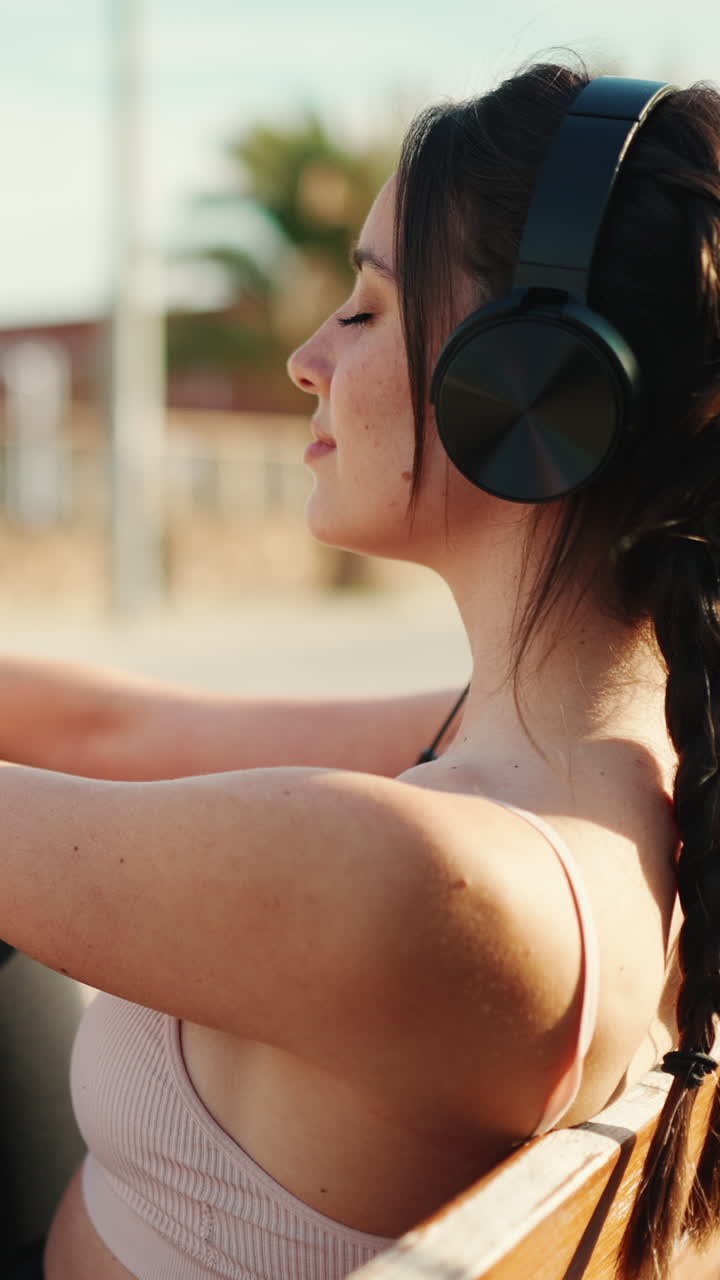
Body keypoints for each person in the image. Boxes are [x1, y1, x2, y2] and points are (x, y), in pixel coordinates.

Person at [1, 58, 719, 1280]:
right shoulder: (596, 762)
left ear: (535, 384)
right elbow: (114, 734)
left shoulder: (418, 876)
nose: (303, 358)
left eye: (368, 309)